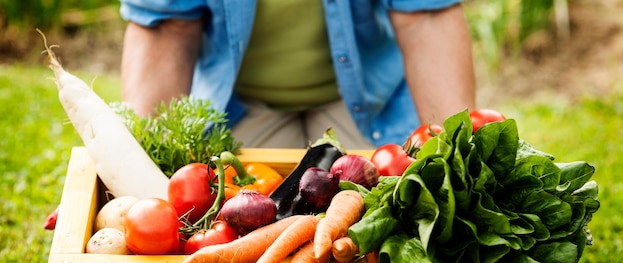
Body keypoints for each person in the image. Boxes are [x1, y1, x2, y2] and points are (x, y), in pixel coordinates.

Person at [119, 1, 476, 149]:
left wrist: (459, 155)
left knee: (397, 218)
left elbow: (424, 17)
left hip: (370, 100)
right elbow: (168, 27)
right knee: (232, 220)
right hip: (238, 104)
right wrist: (139, 165)